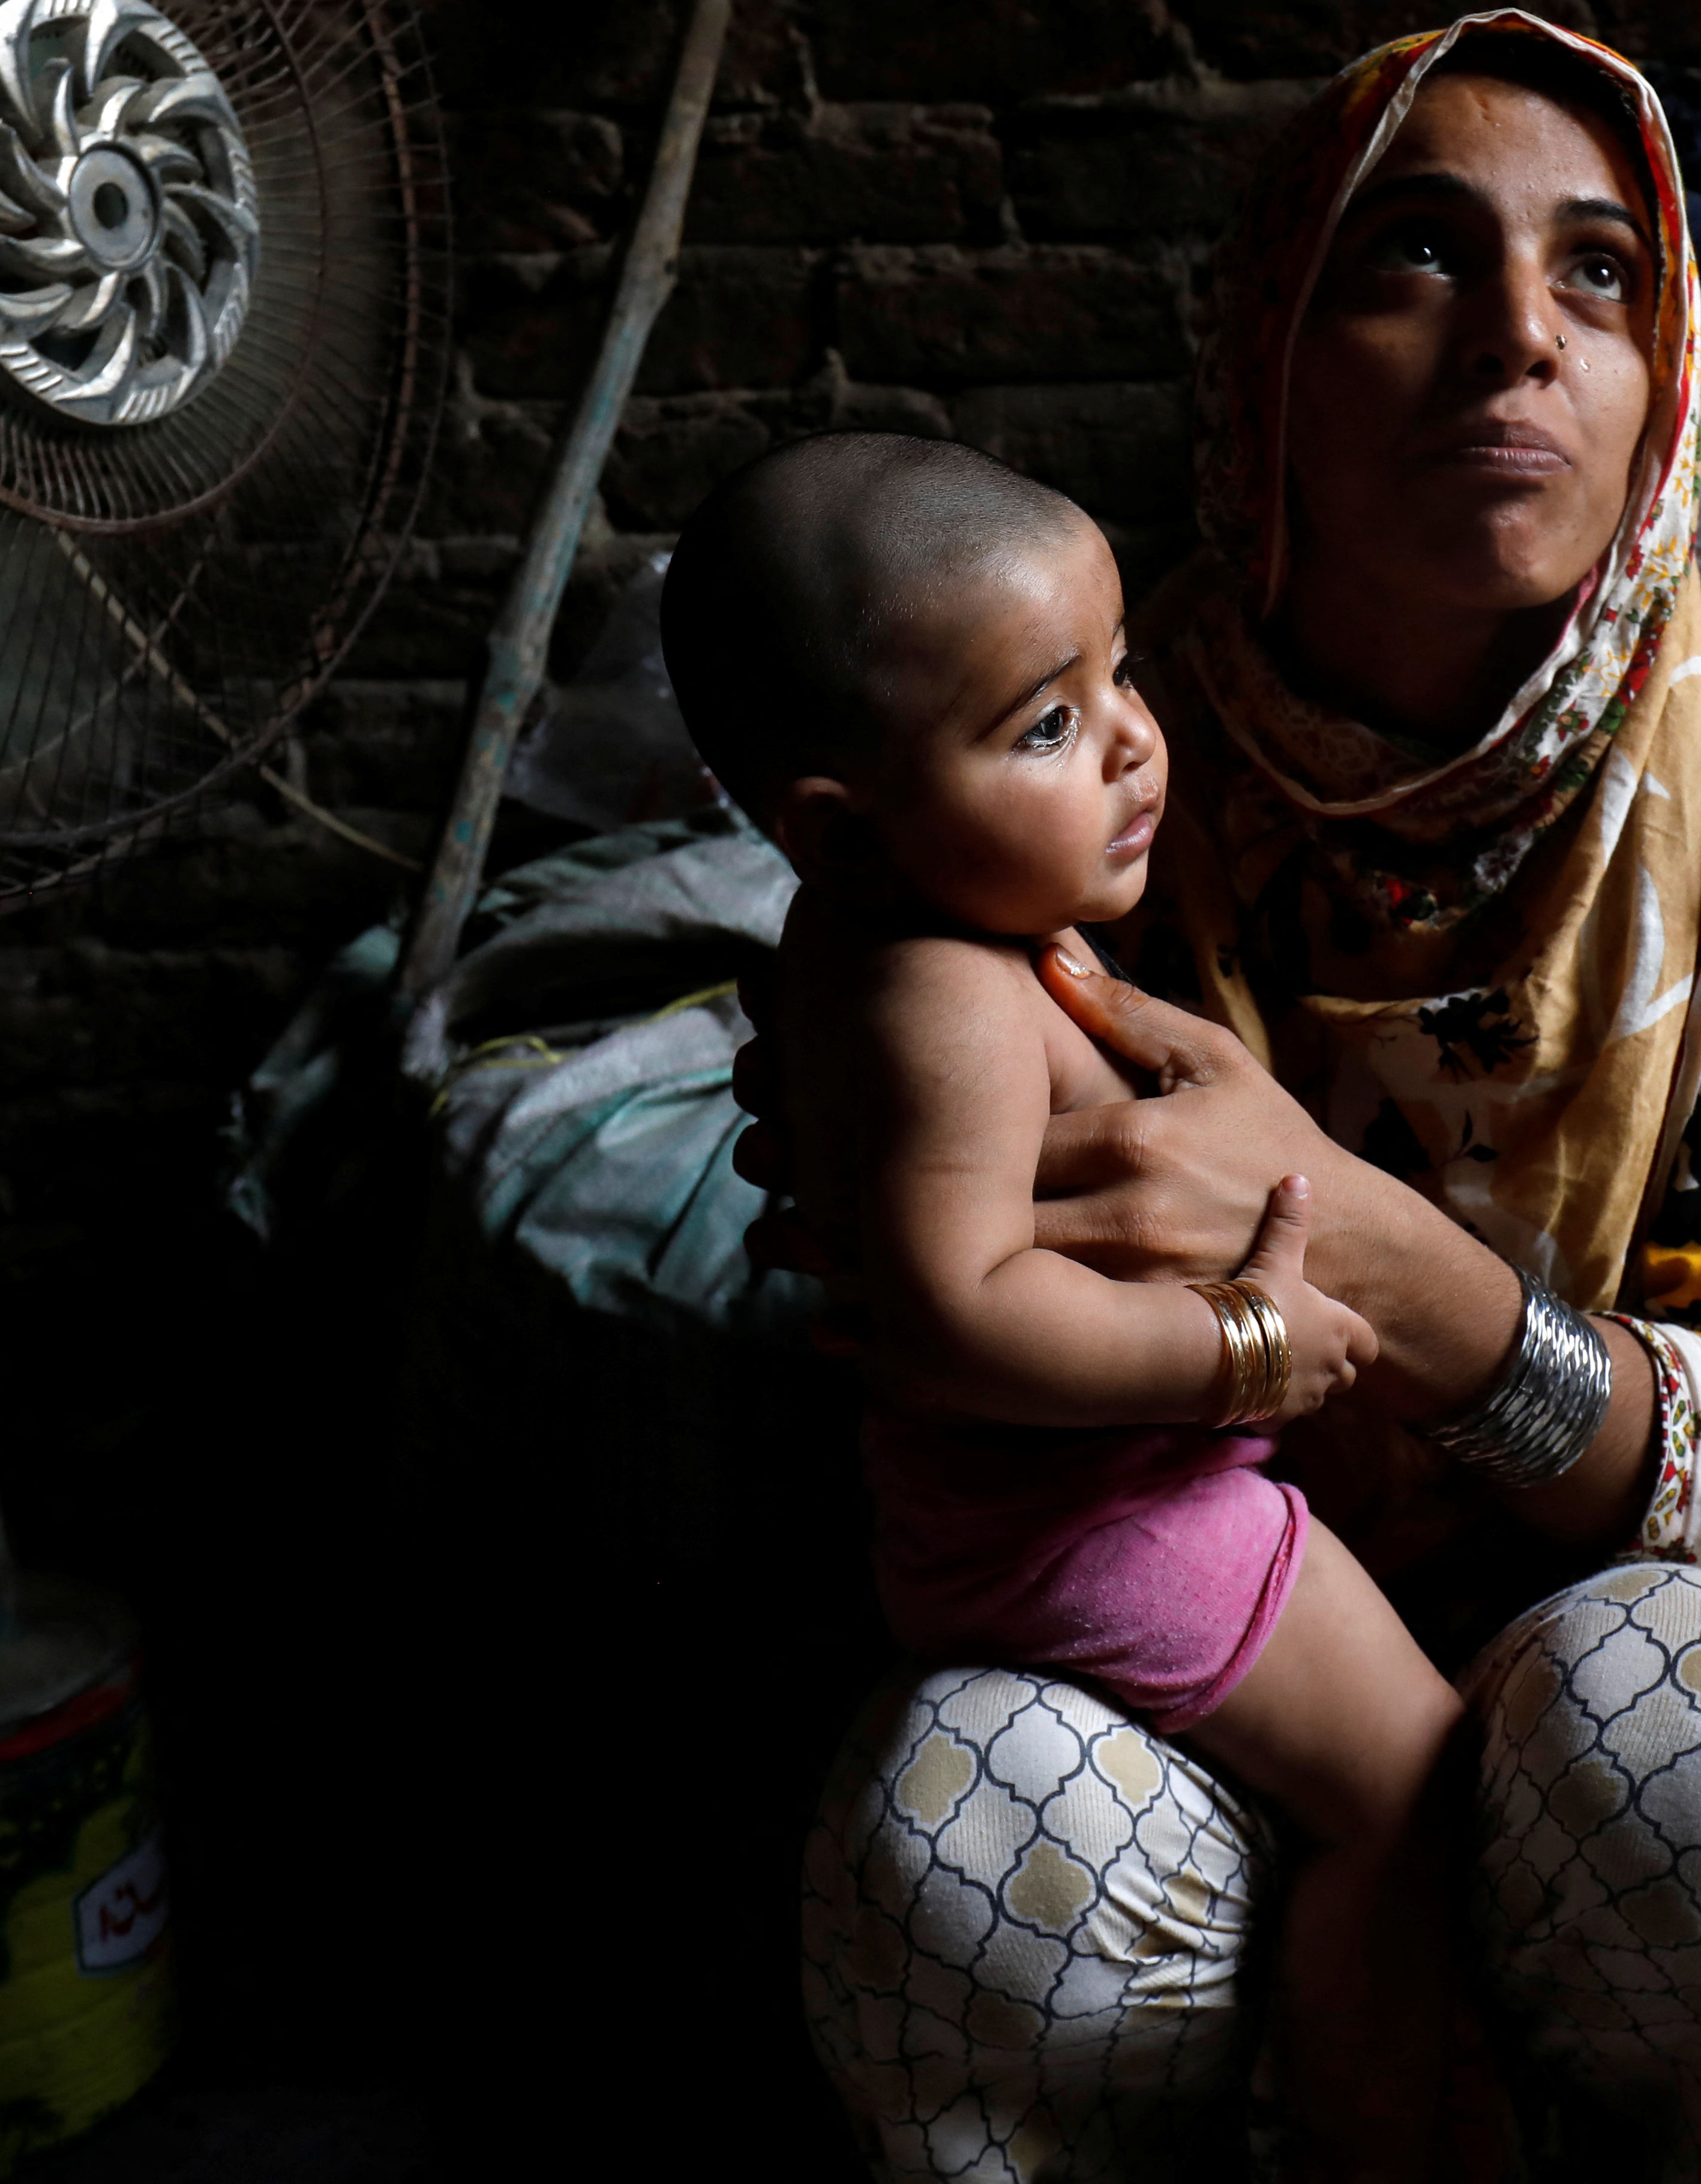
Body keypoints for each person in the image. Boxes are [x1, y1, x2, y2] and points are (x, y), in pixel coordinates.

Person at [767, 11, 1701, 2183]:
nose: (1523, 339)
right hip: (1201, 1685)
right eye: (1420, 258)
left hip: (1608, 1748)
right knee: (950, 1829)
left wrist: (1354, 1252)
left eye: (1605, 272)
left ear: (1668, 380)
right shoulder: (1057, 775)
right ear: (1269, 353)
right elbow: (919, 1284)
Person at [659, 435, 1467, 2183]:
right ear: (838, 828)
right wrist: (1251, 1341)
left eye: (1118, 674)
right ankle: (1367, 2131)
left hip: (1075, 1504)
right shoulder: (937, 992)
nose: (1130, 740)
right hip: (1096, 1521)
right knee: (1417, 1792)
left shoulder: (928, 930)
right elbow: (959, 1312)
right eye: (1044, 724)